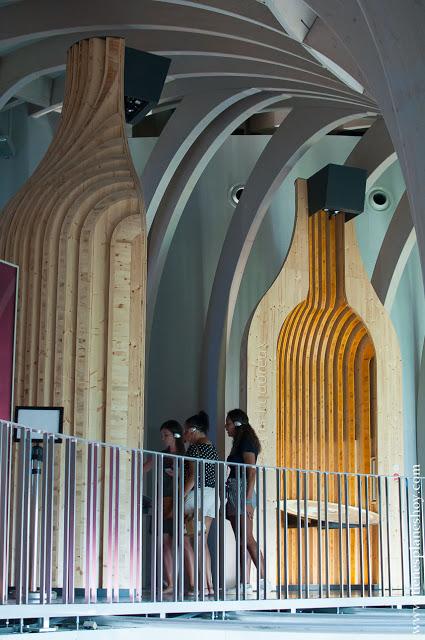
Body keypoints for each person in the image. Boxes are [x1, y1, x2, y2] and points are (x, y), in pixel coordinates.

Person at [225, 408, 265, 593]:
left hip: (242, 490)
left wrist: (247, 500)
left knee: (248, 538)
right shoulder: (238, 442)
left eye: (229, 423)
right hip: (233, 488)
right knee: (241, 540)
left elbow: (251, 471)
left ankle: (264, 580)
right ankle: (244, 582)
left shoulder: (247, 441)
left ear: (237, 424)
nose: (226, 427)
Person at [144, 419, 185, 594]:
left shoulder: (186, 455)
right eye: (162, 435)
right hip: (163, 500)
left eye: (166, 435)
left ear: (176, 436)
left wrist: (179, 474)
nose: (163, 439)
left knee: (184, 543)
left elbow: (193, 477)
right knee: (164, 542)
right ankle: (171, 583)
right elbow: (143, 468)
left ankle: (190, 583)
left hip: (181, 501)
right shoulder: (159, 455)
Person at [183, 410, 218, 596]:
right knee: (202, 542)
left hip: (199, 497)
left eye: (186, 431)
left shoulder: (195, 448)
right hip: (213, 496)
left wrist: (180, 496)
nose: (184, 435)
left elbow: (193, 476)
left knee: (192, 541)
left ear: (193, 430)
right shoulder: (211, 447)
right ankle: (209, 585)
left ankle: (201, 586)